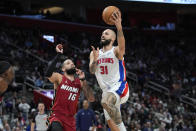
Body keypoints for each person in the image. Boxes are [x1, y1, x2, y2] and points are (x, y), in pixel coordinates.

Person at [89, 10, 129, 131]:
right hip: (106, 91)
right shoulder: (95, 53)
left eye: (106, 33)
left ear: (113, 38)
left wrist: (119, 27)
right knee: (113, 125)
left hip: (119, 87)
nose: (103, 35)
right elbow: (91, 70)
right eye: (102, 33)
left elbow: (122, 46)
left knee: (105, 101)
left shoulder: (116, 50)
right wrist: (95, 60)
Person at [45, 44, 95, 131]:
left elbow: (91, 98)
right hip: (57, 115)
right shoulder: (59, 77)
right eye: (68, 63)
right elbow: (48, 73)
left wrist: (83, 79)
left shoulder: (79, 82)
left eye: (72, 63)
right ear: (63, 69)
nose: (71, 63)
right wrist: (58, 55)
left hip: (70, 119)